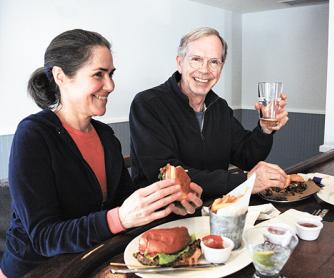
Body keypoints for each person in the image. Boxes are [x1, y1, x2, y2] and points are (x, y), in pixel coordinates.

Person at [0, 29, 202, 278]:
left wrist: (167, 203)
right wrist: (120, 218)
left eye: (111, 74)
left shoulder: (106, 137)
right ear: (60, 76)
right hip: (37, 270)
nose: (110, 85)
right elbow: (45, 238)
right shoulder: (33, 135)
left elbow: (124, 202)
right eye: (99, 74)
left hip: (92, 257)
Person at [129, 27, 289, 200]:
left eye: (214, 62)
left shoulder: (219, 107)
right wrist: (244, 181)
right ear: (179, 63)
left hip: (214, 208)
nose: (205, 70)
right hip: (163, 214)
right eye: (196, 59)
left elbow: (247, 157)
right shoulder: (147, 104)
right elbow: (169, 176)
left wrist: (264, 129)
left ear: (221, 67)